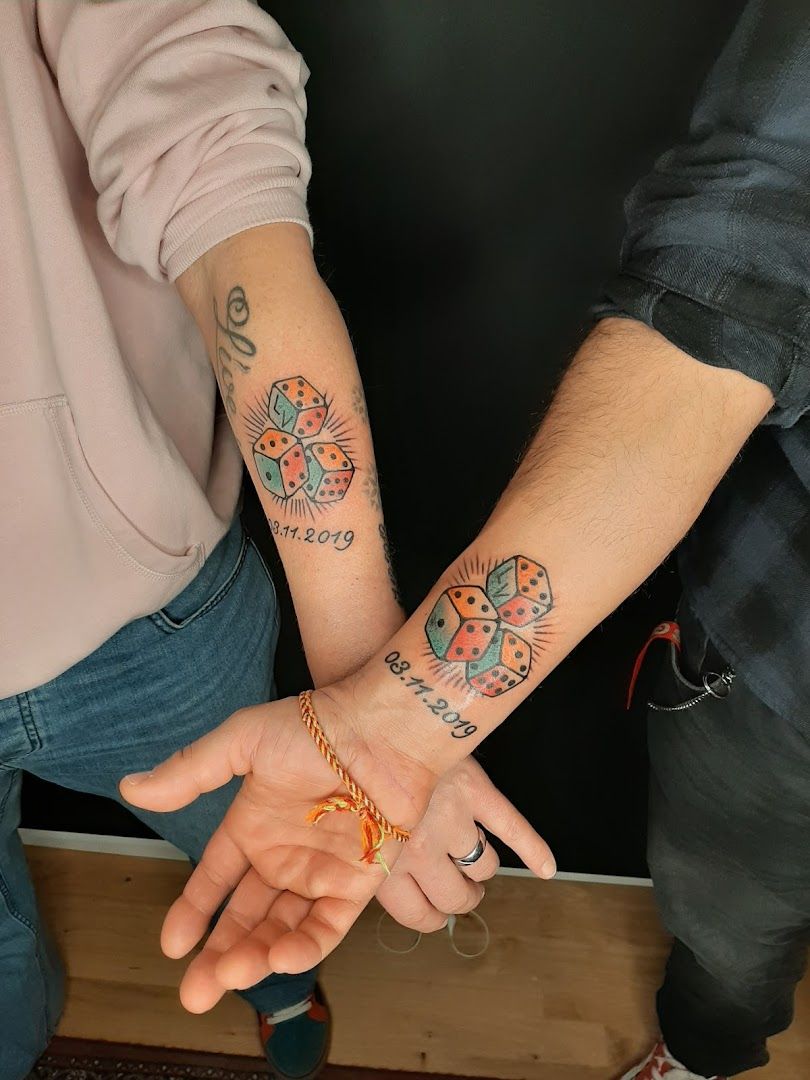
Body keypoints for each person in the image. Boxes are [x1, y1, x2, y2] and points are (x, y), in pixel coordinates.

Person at [121, 2, 810, 1078]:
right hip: (782, 657)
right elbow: (729, 288)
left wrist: (386, 709)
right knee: (728, 930)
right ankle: (705, 1053)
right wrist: (394, 721)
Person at [0, 3, 556, 1079]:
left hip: (144, 619)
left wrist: (377, 699)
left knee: (273, 840)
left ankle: (282, 984)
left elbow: (218, 183)